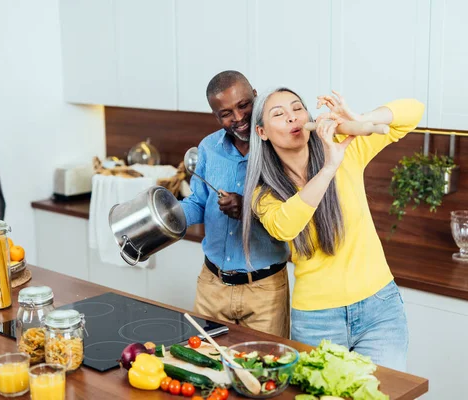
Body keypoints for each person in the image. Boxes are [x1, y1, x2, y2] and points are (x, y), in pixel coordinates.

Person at [242, 87, 424, 371]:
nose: (293, 118)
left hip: (380, 308)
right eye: (279, 114)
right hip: (317, 320)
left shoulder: (346, 145)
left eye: (297, 108)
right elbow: (285, 227)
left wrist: (359, 119)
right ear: (262, 132)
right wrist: (329, 168)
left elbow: (413, 111)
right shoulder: (263, 194)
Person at [180, 71, 291, 338]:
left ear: (255, 96)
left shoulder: (281, 145)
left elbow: (292, 214)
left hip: (265, 291)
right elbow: (198, 202)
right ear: (215, 116)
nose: (239, 118)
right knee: (206, 369)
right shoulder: (208, 147)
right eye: (226, 113)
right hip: (212, 286)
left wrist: (249, 209)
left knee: (263, 374)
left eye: (244, 105)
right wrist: (165, 215)